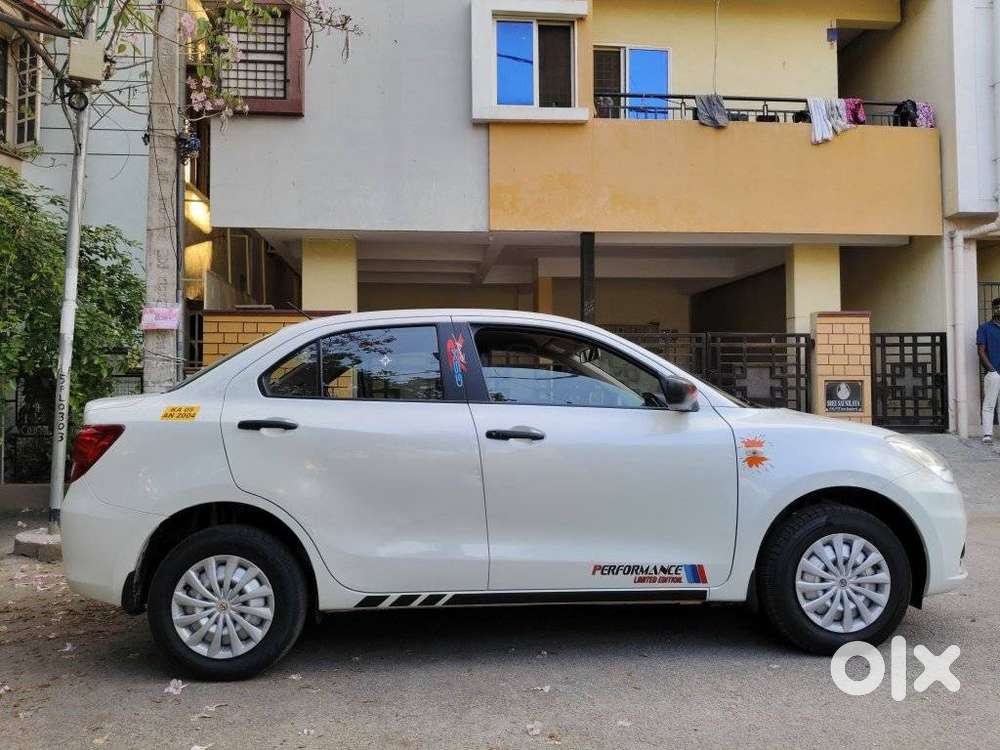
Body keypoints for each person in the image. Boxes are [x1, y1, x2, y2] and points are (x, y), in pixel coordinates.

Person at [977, 297, 1000, 443]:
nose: (999, 309)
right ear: (993, 309)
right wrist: (992, 370)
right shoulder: (984, 328)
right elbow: (981, 350)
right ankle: (987, 434)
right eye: (997, 307)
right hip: (993, 373)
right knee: (989, 403)